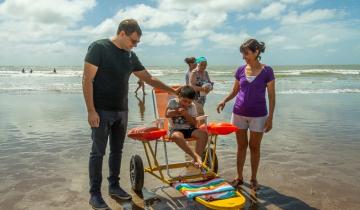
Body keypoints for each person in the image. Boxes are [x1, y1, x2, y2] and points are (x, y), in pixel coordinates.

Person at [82, 19, 178, 210]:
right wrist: (91, 110)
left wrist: (173, 91)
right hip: (100, 111)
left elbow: (148, 78)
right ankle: (94, 194)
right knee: (98, 153)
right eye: (133, 41)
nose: (134, 45)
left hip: (121, 110)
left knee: (117, 151)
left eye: (137, 43)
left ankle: (114, 186)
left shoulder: (130, 56)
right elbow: (87, 79)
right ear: (122, 33)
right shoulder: (99, 48)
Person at [216, 39, 276, 191]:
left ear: (256, 52)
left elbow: (271, 95)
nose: (244, 57)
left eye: (246, 53)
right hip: (239, 114)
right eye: (243, 54)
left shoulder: (267, 71)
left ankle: (254, 178)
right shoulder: (240, 70)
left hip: (259, 115)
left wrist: (270, 117)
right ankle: (239, 176)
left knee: (255, 147)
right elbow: (235, 91)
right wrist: (224, 100)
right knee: (241, 146)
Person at [166, 86, 208, 167]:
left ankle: (195, 160)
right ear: (179, 97)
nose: (186, 104)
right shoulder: (172, 102)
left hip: (189, 129)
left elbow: (194, 124)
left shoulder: (192, 106)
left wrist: (186, 114)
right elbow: (167, 114)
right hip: (175, 129)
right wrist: (177, 111)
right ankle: (195, 156)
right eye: (184, 101)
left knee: (203, 134)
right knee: (176, 136)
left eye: (189, 102)